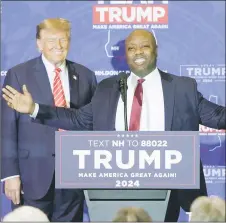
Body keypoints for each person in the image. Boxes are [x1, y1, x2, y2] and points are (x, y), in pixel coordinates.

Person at [2, 29, 226, 222]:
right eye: (131, 48)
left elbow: (217, 116)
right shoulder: (109, 88)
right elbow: (79, 120)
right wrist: (35, 109)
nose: (138, 52)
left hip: (170, 186)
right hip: (116, 187)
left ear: (155, 49)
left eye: (144, 46)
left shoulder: (182, 87)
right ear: (126, 55)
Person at [1, 18, 97, 221]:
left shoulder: (86, 76)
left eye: (63, 39)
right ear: (38, 43)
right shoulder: (18, 74)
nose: (58, 46)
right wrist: (10, 175)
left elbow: (90, 124)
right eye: (51, 40)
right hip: (32, 176)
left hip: (74, 176)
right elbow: (6, 128)